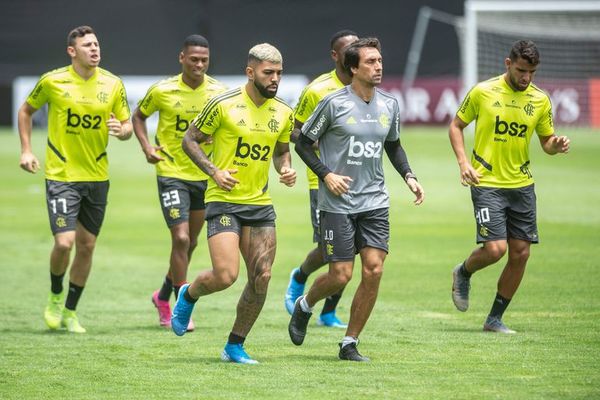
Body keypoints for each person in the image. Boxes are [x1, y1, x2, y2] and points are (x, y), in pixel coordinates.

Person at [289, 38, 425, 361]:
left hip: (375, 201)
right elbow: (304, 144)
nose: (378, 67)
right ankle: (305, 305)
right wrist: (327, 175)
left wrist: (409, 176)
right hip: (338, 203)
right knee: (340, 275)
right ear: (353, 68)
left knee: (374, 270)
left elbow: (393, 145)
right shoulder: (333, 104)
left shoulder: (390, 105)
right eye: (370, 62)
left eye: (379, 61)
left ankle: (349, 342)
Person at [170, 43, 296, 364]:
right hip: (223, 200)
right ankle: (189, 293)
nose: (275, 79)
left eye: (279, 73)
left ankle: (234, 345)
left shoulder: (282, 111)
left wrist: (285, 168)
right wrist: (214, 171)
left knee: (262, 277)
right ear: (250, 72)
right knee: (226, 275)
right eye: (268, 73)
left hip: (259, 204)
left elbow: (282, 149)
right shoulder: (222, 104)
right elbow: (189, 140)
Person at [449, 40, 570, 334]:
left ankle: (494, 319)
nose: (526, 77)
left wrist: (556, 144)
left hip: (522, 185)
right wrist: (464, 163)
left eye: (531, 72)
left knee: (521, 253)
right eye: (520, 70)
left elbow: (546, 143)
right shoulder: (482, 91)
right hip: (486, 181)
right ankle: (463, 272)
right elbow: (456, 126)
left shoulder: (540, 100)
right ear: (507, 64)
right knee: (495, 249)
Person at [17, 26, 132, 333]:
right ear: (72, 51)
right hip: (62, 175)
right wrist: (27, 150)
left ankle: (70, 311)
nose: (94, 49)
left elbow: (126, 125)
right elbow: (26, 111)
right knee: (64, 243)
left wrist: (123, 132)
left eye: (96, 44)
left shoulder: (113, 83)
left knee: (87, 246)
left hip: (97, 176)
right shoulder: (53, 81)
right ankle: (56, 295)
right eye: (87, 45)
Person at [132, 35, 227, 331]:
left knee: (191, 242)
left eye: (204, 60)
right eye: (194, 59)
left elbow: (226, 127)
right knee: (182, 239)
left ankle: (161, 296)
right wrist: (147, 147)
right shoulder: (162, 90)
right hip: (171, 173)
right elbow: (138, 116)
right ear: (181, 58)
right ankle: (179, 308)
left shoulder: (218, 92)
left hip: (203, 174)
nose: (199, 65)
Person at [284, 30, 359, 328]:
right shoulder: (318, 90)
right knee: (332, 251)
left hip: (359, 182)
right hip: (323, 181)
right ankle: (300, 275)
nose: (354, 51)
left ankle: (329, 310)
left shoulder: (364, 86)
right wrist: (319, 142)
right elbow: (294, 131)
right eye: (348, 48)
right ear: (335, 55)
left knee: (350, 250)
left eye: (358, 47)